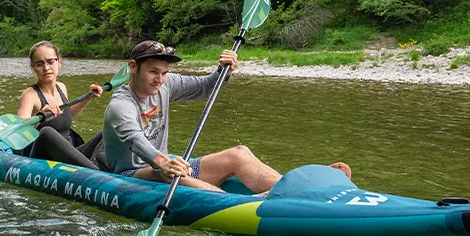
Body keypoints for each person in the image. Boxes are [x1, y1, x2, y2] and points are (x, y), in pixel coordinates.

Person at [102, 40, 352, 193]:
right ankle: (237, 204)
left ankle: (296, 189)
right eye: (153, 71)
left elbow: (206, 87)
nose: (160, 79)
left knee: (239, 153)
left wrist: (224, 71)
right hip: (133, 176)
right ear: (133, 67)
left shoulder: (166, 85)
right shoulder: (120, 105)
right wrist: (163, 162)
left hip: (169, 165)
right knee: (167, 171)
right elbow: (136, 140)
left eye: (165, 72)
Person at [17, 41, 104, 169]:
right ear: (33, 67)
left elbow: (68, 114)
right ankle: (96, 172)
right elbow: (19, 126)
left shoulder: (61, 87)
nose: (46, 68)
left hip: (70, 155)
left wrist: (88, 97)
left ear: (59, 62)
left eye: (50, 61)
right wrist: (39, 116)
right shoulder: (30, 95)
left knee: (108, 130)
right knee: (46, 132)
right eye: (39, 64)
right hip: (44, 160)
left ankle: (103, 168)